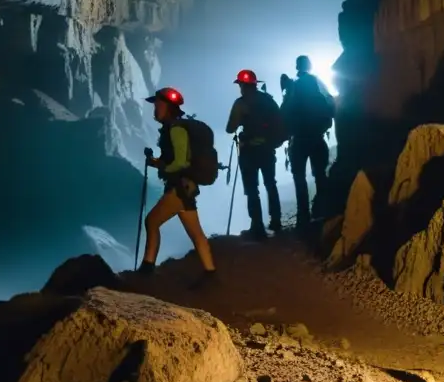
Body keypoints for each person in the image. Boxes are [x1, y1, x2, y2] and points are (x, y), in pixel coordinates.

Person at [137, 86, 217, 287]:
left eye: (157, 104)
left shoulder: (176, 129)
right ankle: (210, 274)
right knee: (196, 233)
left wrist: (163, 166)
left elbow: (180, 162)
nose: (155, 107)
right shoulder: (175, 128)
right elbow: (176, 160)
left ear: (166, 106)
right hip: (185, 188)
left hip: (179, 188)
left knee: (151, 221)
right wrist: (158, 163)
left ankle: (147, 269)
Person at [226, 69, 284, 239]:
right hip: (267, 149)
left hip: (249, 151)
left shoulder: (241, 103)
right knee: (270, 184)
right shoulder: (268, 100)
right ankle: (276, 220)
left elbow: (230, 128)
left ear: (242, 85)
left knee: (252, 189)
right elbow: (279, 122)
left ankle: (257, 226)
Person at [281, 55, 335, 230]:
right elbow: (331, 108)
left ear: (297, 67)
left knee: (299, 177)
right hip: (317, 138)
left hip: (299, 140)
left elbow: (284, 112)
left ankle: (303, 216)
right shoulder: (318, 87)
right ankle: (321, 211)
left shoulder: (293, 87)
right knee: (320, 175)